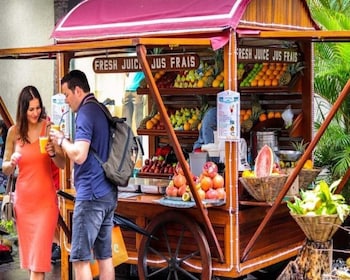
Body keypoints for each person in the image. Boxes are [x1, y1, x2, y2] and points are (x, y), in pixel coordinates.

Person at [49, 70, 117, 280]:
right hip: (107, 192)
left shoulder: (86, 113)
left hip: (90, 196)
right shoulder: (100, 109)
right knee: (104, 256)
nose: (66, 101)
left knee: (80, 258)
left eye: (67, 95)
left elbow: (79, 154)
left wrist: (61, 140)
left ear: (78, 90)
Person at [2, 85, 66, 280]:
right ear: (23, 109)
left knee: (38, 263)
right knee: (32, 263)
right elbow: (5, 167)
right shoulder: (14, 132)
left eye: (38, 108)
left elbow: (62, 163)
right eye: (31, 109)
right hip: (24, 204)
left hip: (46, 203)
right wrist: (11, 161)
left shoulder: (49, 127)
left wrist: (53, 152)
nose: (35, 112)